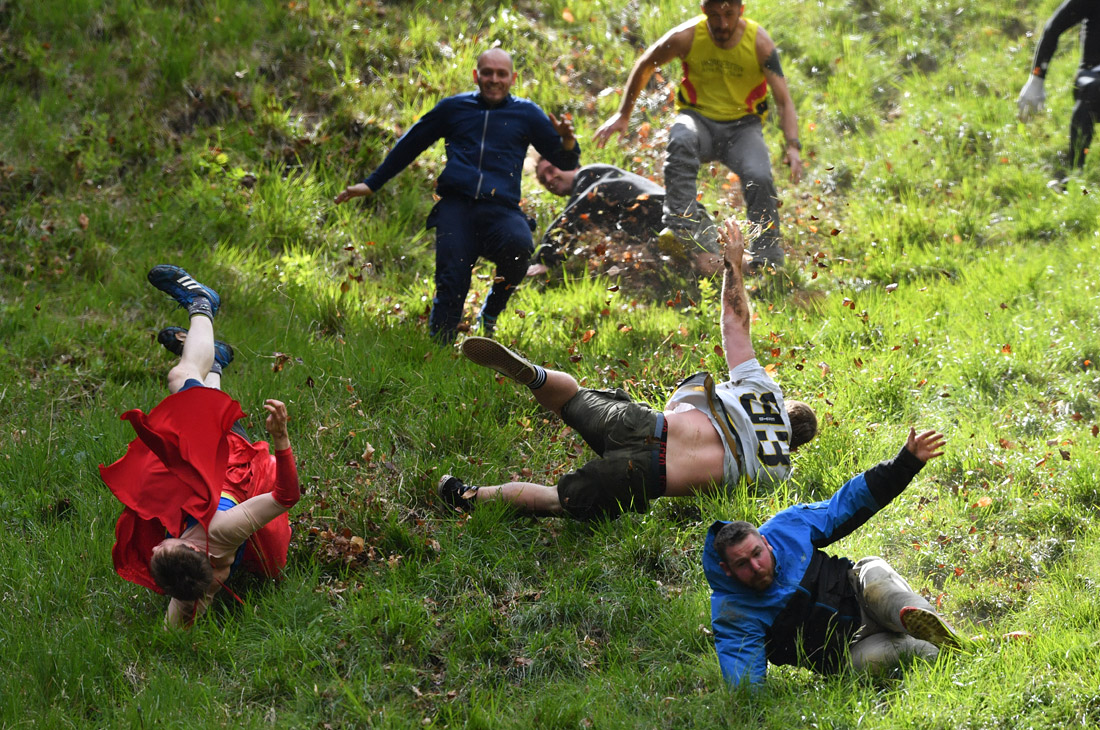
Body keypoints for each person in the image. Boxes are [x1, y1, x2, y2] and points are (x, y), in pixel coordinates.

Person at [438, 217, 817, 521]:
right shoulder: (777, 472)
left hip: (644, 422)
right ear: (793, 446)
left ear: (785, 406)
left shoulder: (763, 391)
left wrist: (733, 265)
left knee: (571, 399)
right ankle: (465, 495)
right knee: (557, 500)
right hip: (646, 473)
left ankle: (536, 376)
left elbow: (736, 323)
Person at [100, 265, 301, 628]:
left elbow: (174, 631)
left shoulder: (194, 586)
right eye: (165, 547)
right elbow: (287, 496)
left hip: (203, 473)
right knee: (180, 377)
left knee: (203, 387)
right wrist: (282, 439)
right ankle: (202, 303)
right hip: (223, 456)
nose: (157, 547)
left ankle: (216, 360)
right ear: (192, 549)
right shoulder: (222, 532)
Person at [334, 48, 581, 341]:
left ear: (512, 78)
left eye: (501, 74)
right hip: (456, 208)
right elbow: (411, 143)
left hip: (501, 209)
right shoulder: (454, 108)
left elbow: (566, 162)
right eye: (487, 72)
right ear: (476, 75)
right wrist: (372, 183)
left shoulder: (526, 114)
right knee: (452, 281)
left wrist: (567, 141)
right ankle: (440, 350)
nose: (494, 79)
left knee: (519, 246)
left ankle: (490, 314)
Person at [703, 428, 964, 687]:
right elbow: (745, 683)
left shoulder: (787, 527)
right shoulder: (732, 612)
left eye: (756, 554)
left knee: (882, 590)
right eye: (742, 564)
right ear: (727, 569)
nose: (756, 566)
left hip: (860, 592)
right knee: (915, 655)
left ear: (766, 544)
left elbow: (847, 504)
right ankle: (963, 650)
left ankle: (941, 630)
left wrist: (905, 463)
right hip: (850, 651)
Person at [594, 0, 803, 270]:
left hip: (743, 128)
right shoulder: (688, 36)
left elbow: (783, 99)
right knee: (680, 138)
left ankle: (768, 259)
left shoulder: (759, 43)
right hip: (698, 119)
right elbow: (646, 63)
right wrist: (623, 114)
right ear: (704, 12)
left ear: (741, 10)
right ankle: (681, 229)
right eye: (715, 15)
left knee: (759, 175)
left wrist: (793, 146)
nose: (723, 24)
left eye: (729, 15)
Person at [529, 158, 720, 277]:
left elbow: (577, 212)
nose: (549, 179)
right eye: (542, 179)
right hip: (681, 216)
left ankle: (748, 266)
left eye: (551, 170)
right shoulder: (600, 188)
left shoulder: (590, 174)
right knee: (708, 263)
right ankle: (749, 268)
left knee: (709, 261)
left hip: (676, 218)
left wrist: (546, 258)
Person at [1017, 0, 1100, 169]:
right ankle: (1076, 175)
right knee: (1092, 89)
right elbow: (1054, 28)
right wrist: (1037, 78)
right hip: (1094, 79)